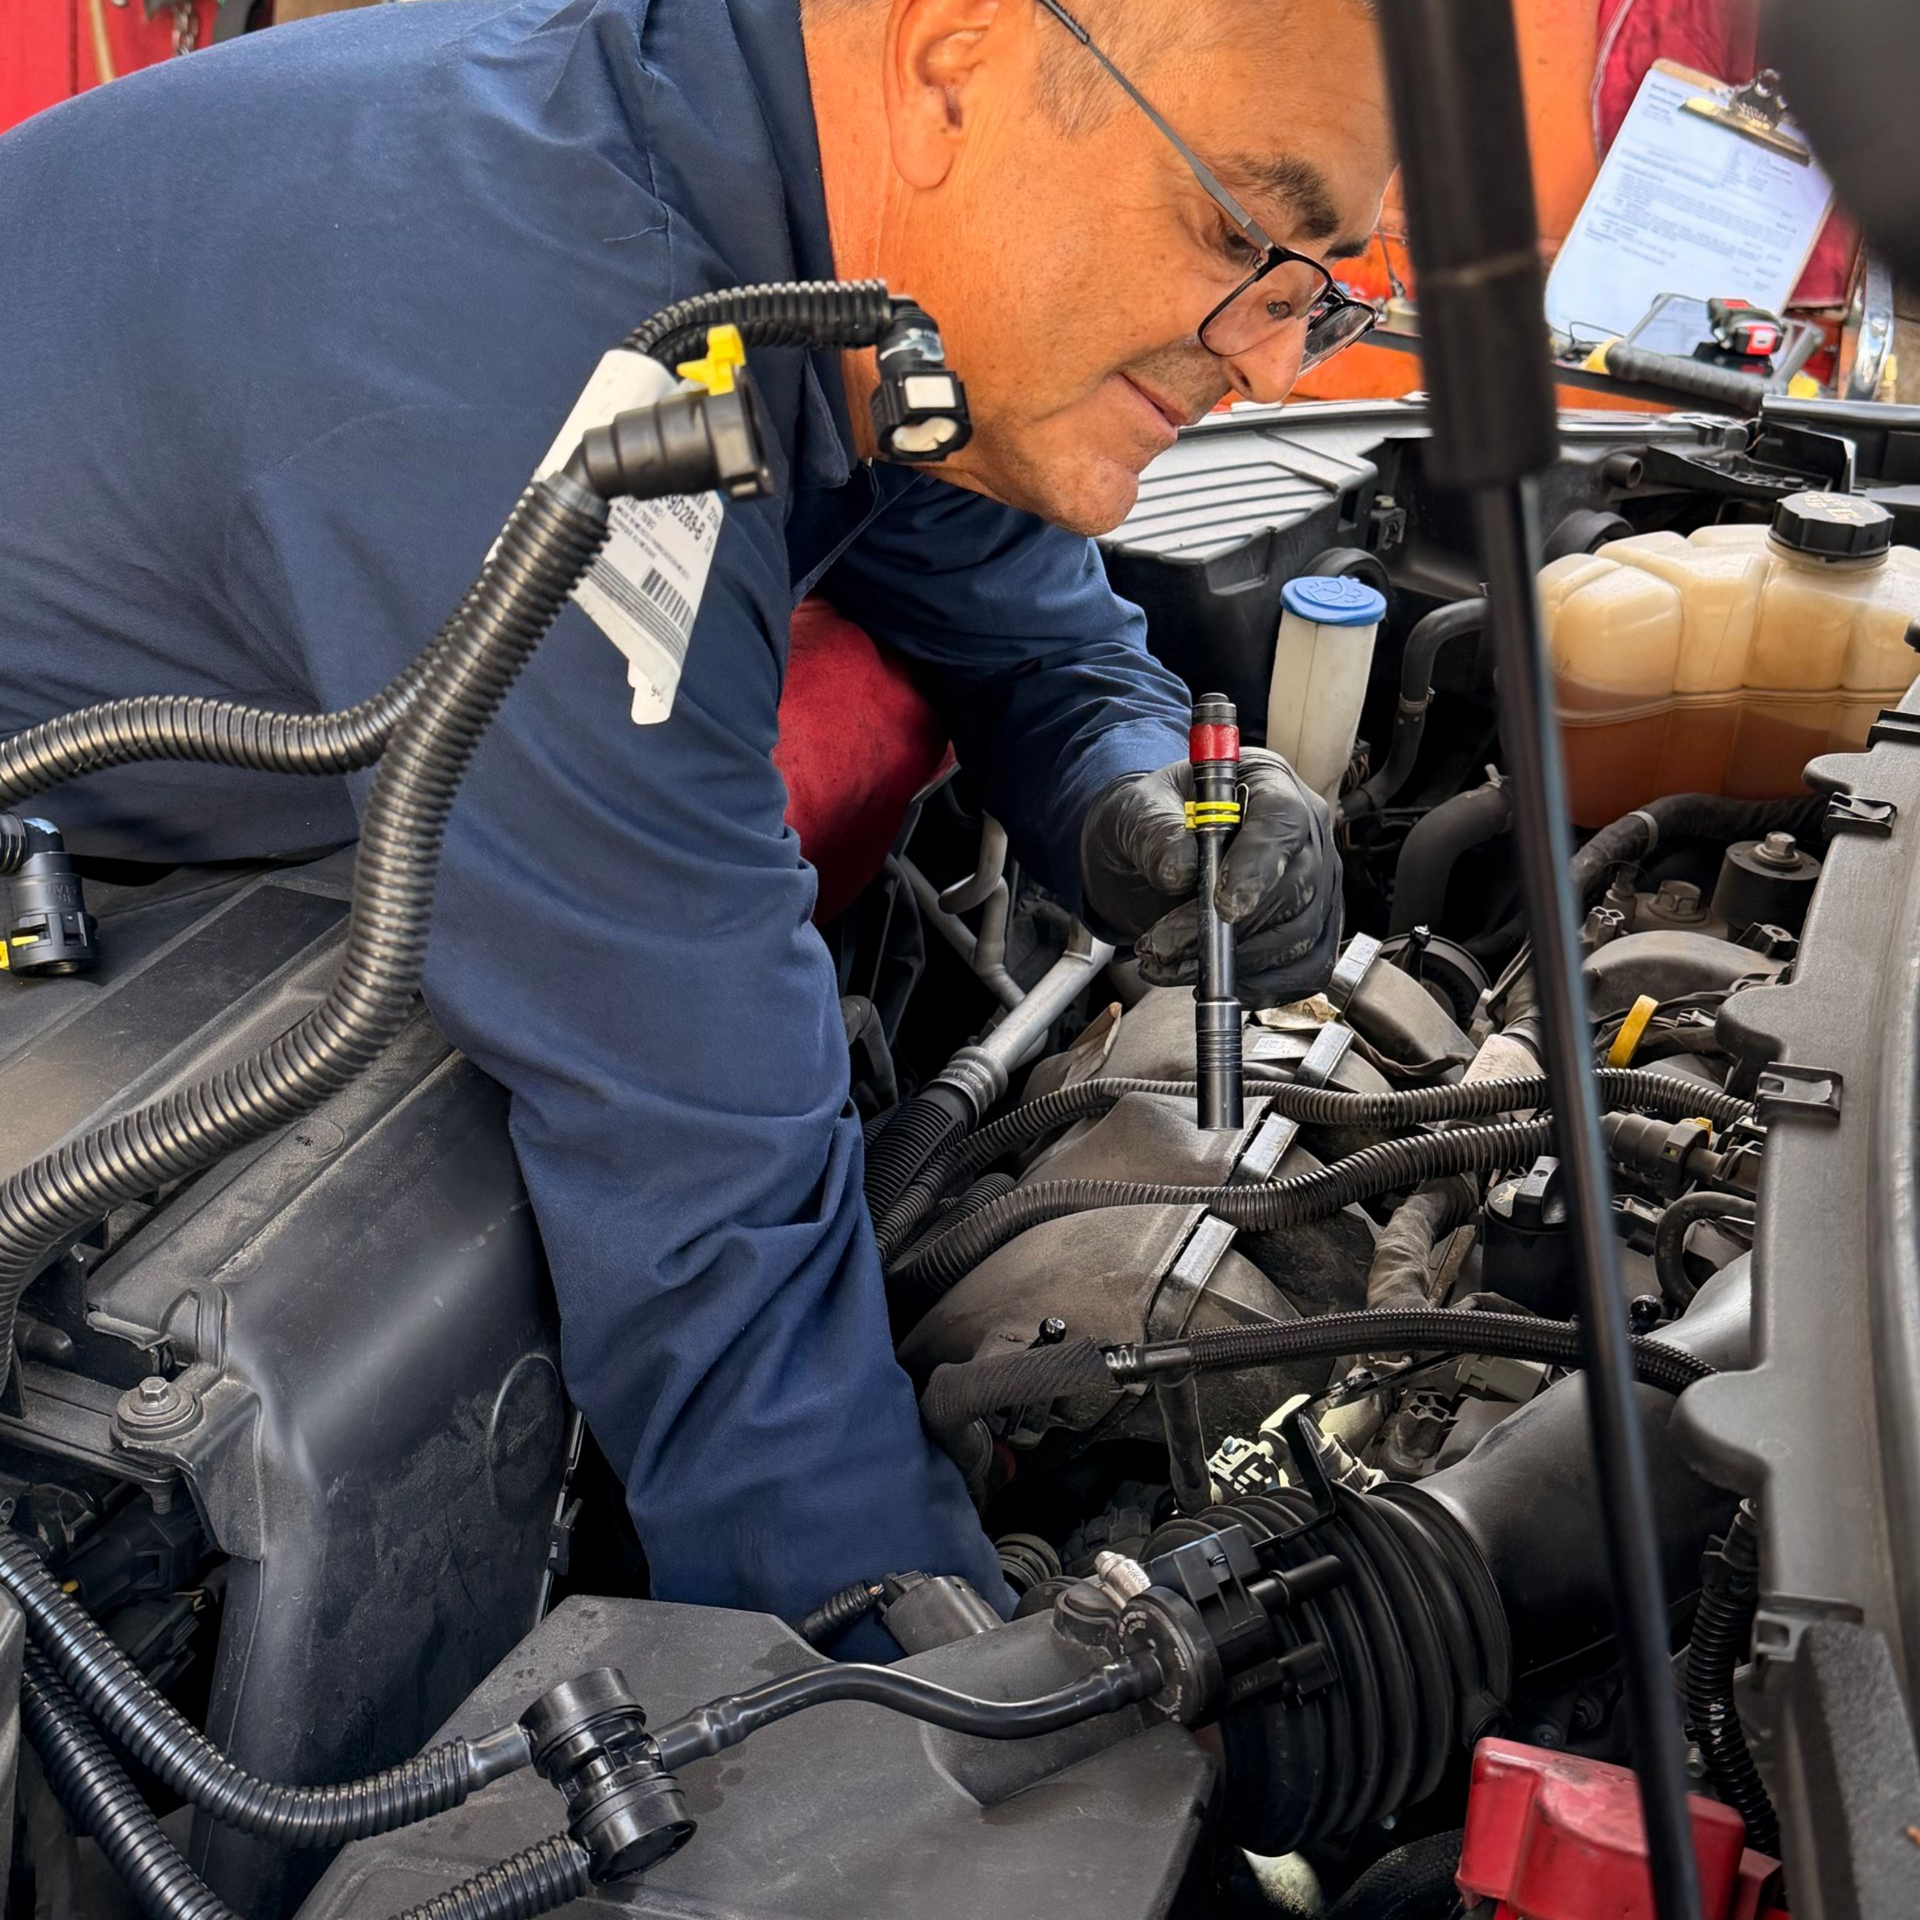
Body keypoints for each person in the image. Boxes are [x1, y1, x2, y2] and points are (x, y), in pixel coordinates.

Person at [0, 0, 1394, 1642]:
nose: (1268, 357)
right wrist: (939, 1708)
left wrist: (1130, 802)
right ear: (954, 69)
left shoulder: (810, 230)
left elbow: (1033, 629)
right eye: (1241, 234)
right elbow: (706, 1201)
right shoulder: (543, 338)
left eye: (1325, 290)